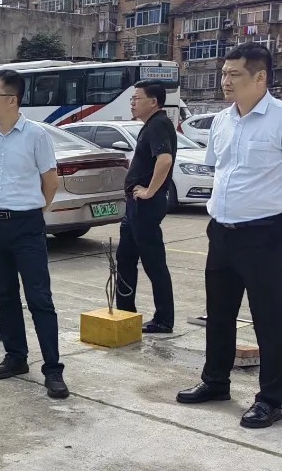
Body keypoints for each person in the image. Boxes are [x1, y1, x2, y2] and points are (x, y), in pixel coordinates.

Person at [177, 43, 282, 430]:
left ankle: (272, 399)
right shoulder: (221, 121)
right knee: (219, 314)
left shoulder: (279, 119)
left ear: (260, 77)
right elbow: (220, 172)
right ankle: (215, 382)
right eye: (223, 73)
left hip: (266, 235)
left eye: (234, 74)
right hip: (221, 231)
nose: (225, 81)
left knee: (270, 319)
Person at [0, 69, 68, 399]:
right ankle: (16, 357)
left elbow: (50, 182)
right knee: (5, 297)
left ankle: (53, 369)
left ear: (12, 100)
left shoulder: (36, 135)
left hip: (27, 225)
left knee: (39, 298)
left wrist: (31, 211)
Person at [115, 80, 177, 333]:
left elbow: (165, 160)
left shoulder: (159, 124)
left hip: (145, 206)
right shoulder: (150, 125)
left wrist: (150, 191)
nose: (132, 103)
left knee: (153, 262)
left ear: (153, 102)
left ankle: (164, 319)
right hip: (135, 206)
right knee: (124, 258)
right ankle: (125, 313)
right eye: (132, 99)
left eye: (136, 98)